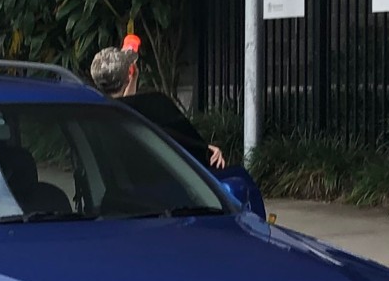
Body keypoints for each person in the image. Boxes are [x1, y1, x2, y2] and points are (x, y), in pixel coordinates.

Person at [89, 45, 268, 218]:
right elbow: (182, 140)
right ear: (130, 74)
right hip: (159, 204)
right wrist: (204, 149)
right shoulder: (152, 107)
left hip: (113, 202)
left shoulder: (87, 116)